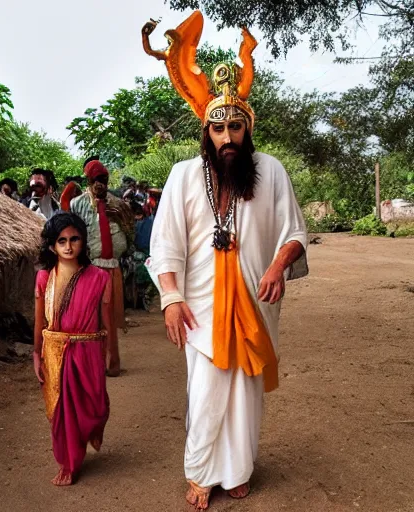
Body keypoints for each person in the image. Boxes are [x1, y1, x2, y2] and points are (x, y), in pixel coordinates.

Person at [143, 12, 308, 510]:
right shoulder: (182, 175)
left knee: (246, 394)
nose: (228, 137)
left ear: (247, 128)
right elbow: (165, 244)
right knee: (208, 391)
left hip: (255, 302)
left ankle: (237, 470)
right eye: (218, 128)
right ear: (206, 132)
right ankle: (200, 472)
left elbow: (295, 232)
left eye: (236, 126)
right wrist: (171, 299)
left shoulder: (271, 172)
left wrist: (278, 267)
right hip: (200, 306)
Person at [33, 212, 111, 486]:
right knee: (63, 413)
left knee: (95, 406)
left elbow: (105, 320)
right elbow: (39, 318)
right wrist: (35, 353)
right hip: (55, 351)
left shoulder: (100, 277)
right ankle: (69, 463)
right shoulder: (44, 277)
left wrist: (108, 351)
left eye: (74, 239)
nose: (68, 246)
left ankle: (94, 427)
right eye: (61, 240)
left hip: (88, 350)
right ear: (52, 245)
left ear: (83, 241)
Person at [70, 158, 134, 377]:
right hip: (91, 268)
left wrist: (119, 217)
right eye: (96, 179)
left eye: (103, 179)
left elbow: (130, 233)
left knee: (109, 315)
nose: (100, 183)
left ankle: (111, 364)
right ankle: (91, 364)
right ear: (88, 180)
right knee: (91, 317)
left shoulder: (117, 203)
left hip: (113, 267)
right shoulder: (77, 204)